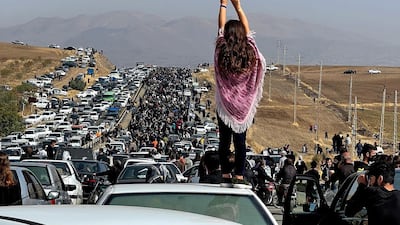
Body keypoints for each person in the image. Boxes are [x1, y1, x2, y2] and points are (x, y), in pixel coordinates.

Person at [214, 0, 266, 188]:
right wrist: (239, 6)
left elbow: (220, 28)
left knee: (224, 141)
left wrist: (223, 5)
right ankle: (239, 175)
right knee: (240, 141)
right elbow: (248, 32)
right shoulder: (250, 52)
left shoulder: (221, 50)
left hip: (225, 105)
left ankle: (226, 174)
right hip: (243, 106)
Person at [345, 159, 400, 225]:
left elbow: (349, 211)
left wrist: (361, 186)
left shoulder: (372, 192)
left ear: (380, 179)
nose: (370, 183)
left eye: (371, 179)